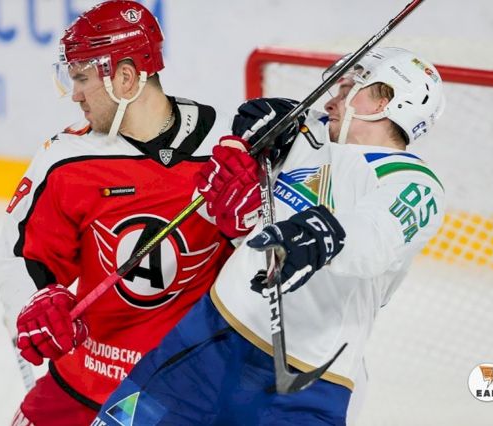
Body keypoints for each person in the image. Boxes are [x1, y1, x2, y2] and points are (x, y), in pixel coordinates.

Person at [92, 47, 446, 425]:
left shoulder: (414, 183)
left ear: (385, 103)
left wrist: (322, 234)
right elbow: (227, 209)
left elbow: (376, 238)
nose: (331, 101)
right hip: (207, 340)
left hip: (305, 382)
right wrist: (249, 142)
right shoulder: (303, 131)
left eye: (347, 91)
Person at [0, 1, 244, 424]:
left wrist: (248, 225)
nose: (75, 94)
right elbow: (21, 256)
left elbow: (266, 272)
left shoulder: (224, 151)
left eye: (82, 78)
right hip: (84, 379)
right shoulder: (68, 160)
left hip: (184, 396)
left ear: (125, 78)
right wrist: (34, 303)